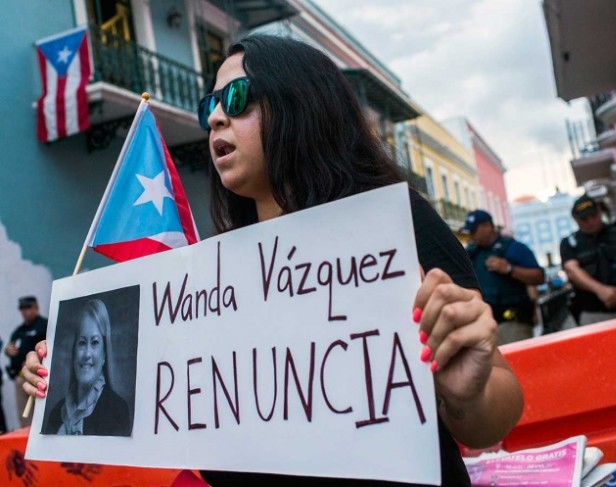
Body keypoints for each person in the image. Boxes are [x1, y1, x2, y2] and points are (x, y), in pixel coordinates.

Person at [22, 34, 523, 485]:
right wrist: (55, 377)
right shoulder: (208, 283)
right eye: (210, 107)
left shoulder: (393, 225)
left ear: (299, 105)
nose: (217, 116)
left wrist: (465, 392)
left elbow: (493, 413)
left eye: (236, 99)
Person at [42, 298, 131, 436]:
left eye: (95, 343)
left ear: (104, 354)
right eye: (82, 343)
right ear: (74, 350)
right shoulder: (56, 413)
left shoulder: (118, 411)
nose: (87, 354)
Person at [560, 194, 616, 326]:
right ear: (576, 220)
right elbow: (572, 270)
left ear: (599, 212)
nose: (591, 221)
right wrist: (601, 290)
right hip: (592, 312)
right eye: (584, 219)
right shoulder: (570, 243)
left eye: (593, 216)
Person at [462, 210, 545, 345]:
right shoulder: (472, 253)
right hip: (482, 324)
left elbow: (539, 277)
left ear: (487, 226)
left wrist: (509, 269)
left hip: (511, 321)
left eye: (474, 230)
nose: (471, 235)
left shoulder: (512, 247)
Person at [4, 296, 48, 428]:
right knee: (25, 420)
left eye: (28, 307)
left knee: (42, 418)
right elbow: (11, 345)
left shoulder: (43, 325)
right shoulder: (19, 330)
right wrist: (8, 350)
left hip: (40, 378)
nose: (24, 311)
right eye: (22, 308)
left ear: (36, 307)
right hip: (20, 377)